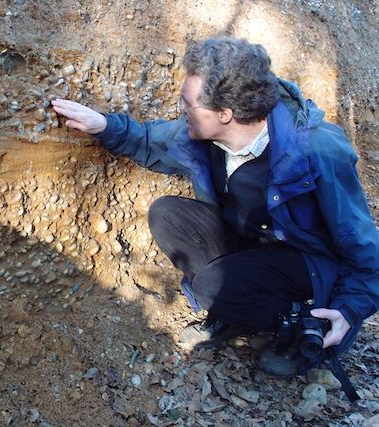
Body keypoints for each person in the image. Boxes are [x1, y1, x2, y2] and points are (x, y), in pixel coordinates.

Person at [51, 36, 379, 382]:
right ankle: (235, 311)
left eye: (188, 104)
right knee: (168, 215)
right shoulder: (205, 135)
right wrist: (103, 125)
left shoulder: (317, 150)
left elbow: (361, 243)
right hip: (253, 243)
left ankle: (301, 329)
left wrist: (349, 308)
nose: (181, 110)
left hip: (307, 264)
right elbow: (151, 139)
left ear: (225, 114)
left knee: (212, 286)